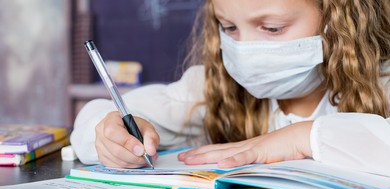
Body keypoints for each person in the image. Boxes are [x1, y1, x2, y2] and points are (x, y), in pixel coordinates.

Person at [70, 0, 390, 177]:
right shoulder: (212, 86)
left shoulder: (382, 83)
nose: (246, 48)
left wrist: (302, 138)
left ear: (338, 20)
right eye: (230, 28)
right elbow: (101, 114)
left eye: (272, 28)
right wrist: (108, 135)